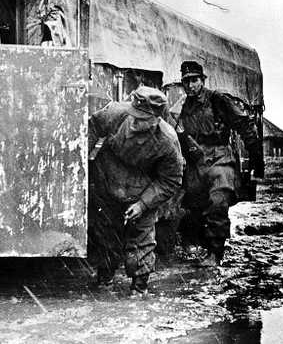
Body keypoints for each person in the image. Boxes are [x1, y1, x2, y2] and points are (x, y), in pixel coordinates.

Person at [88, 85, 184, 296]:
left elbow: (171, 180)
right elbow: (92, 127)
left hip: (141, 192)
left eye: (141, 120)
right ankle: (104, 281)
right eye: (133, 116)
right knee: (106, 238)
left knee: (142, 241)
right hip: (108, 184)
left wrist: (143, 204)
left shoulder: (168, 142)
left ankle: (139, 289)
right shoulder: (116, 113)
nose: (134, 122)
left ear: (156, 120)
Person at [177, 61, 262, 267]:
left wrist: (257, 161)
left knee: (218, 202)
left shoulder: (217, 99)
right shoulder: (186, 107)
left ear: (202, 80)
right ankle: (200, 246)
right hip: (197, 161)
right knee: (192, 204)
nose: (190, 85)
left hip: (219, 157)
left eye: (194, 80)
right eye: (186, 81)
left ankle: (215, 253)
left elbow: (245, 125)